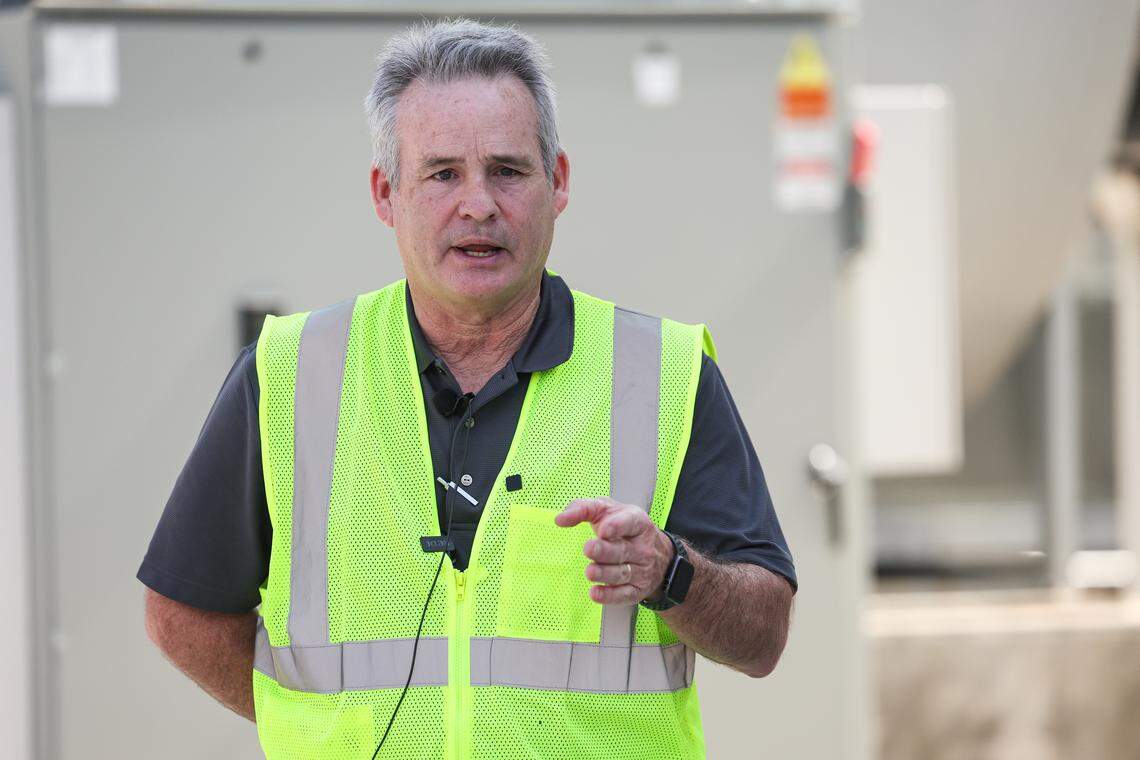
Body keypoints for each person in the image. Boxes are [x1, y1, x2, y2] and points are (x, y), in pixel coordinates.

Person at [139, 18, 796, 759]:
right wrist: (322, 730)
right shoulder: (290, 372)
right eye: (443, 172)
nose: (478, 204)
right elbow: (181, 613)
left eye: (509, 171)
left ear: (560, 182)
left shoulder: (665, 372)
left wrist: (670, 571)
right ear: (387, 193)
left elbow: (763, 635)